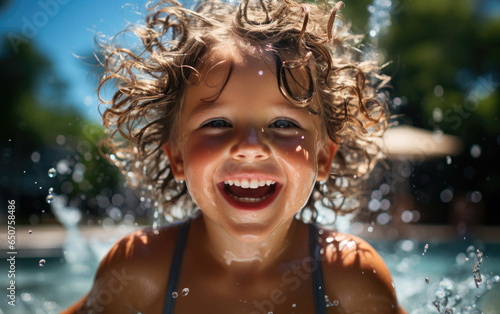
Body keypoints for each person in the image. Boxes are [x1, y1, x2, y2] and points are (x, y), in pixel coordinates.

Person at [64, 0, 406, 312]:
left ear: (323, 159)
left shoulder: (350, 278)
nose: (251, 146)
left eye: (284, 123)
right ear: (177, 157)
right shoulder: (138, 271)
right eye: (217, 123)